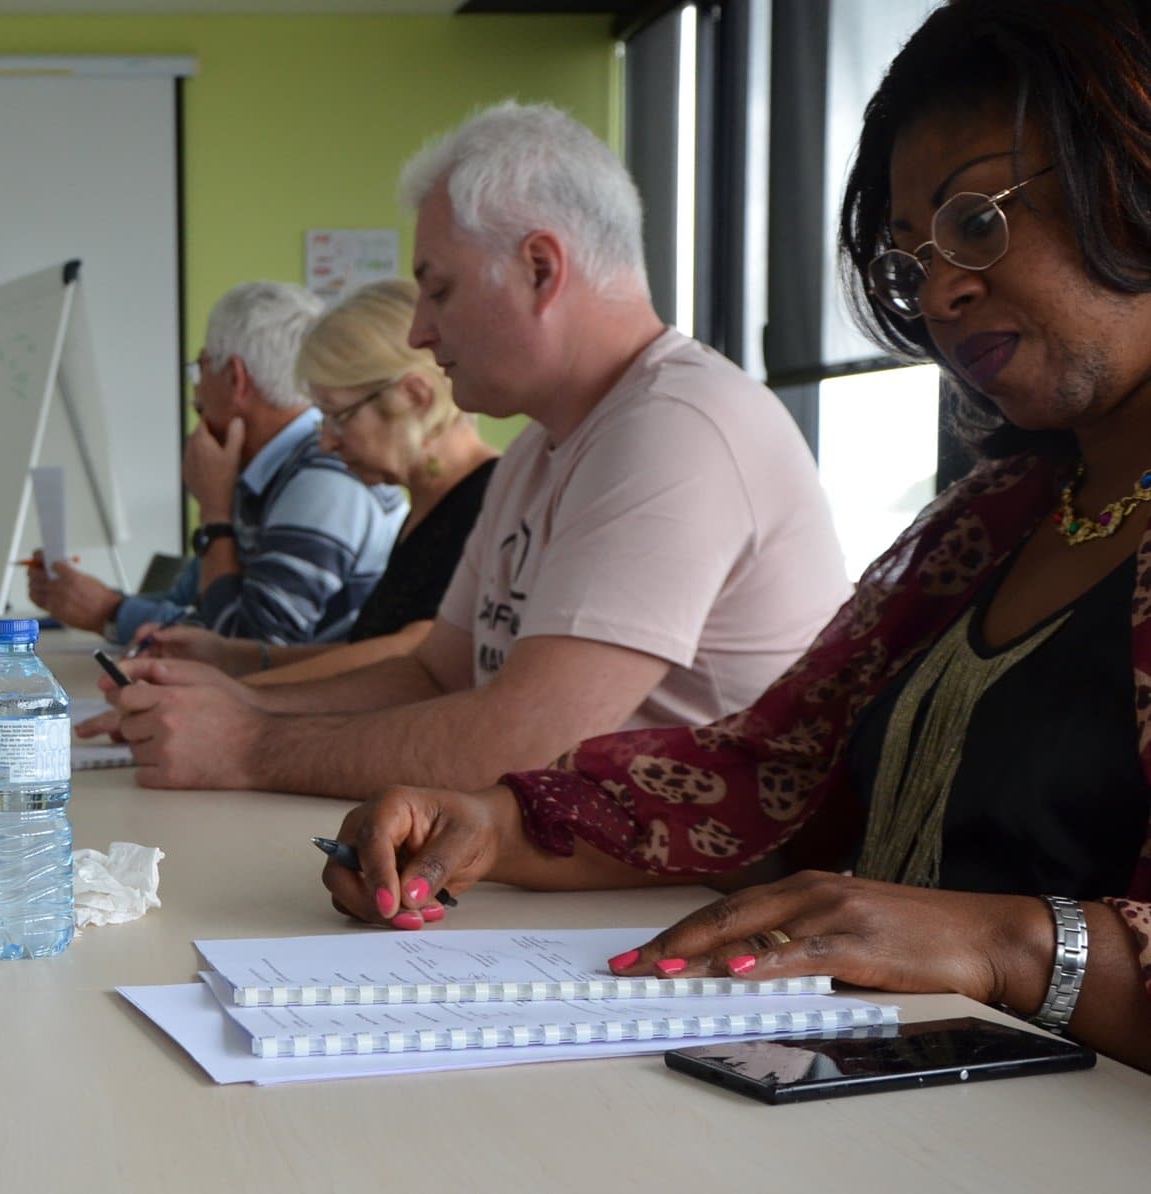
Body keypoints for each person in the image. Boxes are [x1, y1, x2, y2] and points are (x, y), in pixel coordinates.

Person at [321, 0, 1151, 1069]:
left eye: (979, 221)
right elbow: (765, 771)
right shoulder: (992, 520)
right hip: (888, 1091)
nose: (942, 290)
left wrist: (1006, 943)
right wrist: (490, 822)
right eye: (910, 259)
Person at [85, 101, 849, 797]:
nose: (420, 330)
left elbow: (527, 739)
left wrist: (251, 747)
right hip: (600, 884)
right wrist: (241, 703)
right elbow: (431, 674)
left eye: (438, 290)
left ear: (541, 270)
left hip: (693, 908)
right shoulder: (536, 452)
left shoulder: (678, 427)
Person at [133, 278, 500, 686]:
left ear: (415, 397)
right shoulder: (429, 504)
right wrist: (232, 659)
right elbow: (373, 653)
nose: (325, 442)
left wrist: (234, 692)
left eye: (338, 416)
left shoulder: (487, 502)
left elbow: (412, 658)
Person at [28, 281, 405, 647]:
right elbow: (195, 609)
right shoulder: (264, 469)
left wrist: (214, 514)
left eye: (201, 367)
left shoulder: (323, 478)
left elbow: (246, 645)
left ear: (236, 379)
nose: (196, 391)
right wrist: (98, 603)